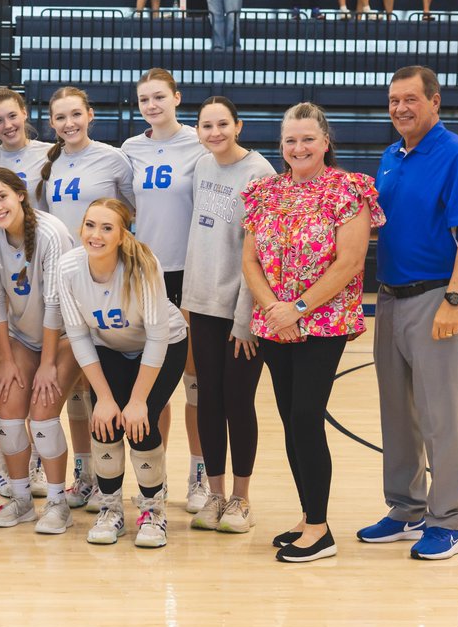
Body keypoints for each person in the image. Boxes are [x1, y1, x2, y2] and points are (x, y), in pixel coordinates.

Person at [243, 102, 383, 563]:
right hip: (275, 321)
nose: (298, 147)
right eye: (290, 140)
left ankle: (321, 530)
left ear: (325, 142)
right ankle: (308, 517)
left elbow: (350, 262)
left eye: (307, 138)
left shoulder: (347, 189)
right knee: (290, 418)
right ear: (280, 145)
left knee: (305, 414)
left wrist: (298, 308)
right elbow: (250, 260)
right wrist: (273, 309)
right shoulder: (264, 191)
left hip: (323, 322)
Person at [359, 66, 458, 561]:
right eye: (393, 100)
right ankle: (405, 509)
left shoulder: (456, 154)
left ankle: (448, 522)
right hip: (389, 298)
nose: (400, 108)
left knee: (441, 418)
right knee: (397, 414)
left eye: (411, 99)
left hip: (438, 297)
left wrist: (454, 300)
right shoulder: (390, 157)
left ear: (435, 101)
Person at [58, 198, 189, 547]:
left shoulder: (143, 265)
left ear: (122, 234)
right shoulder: (69, 268)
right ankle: (110, 509)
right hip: (109, 347)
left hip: (163, 345)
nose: (95, 235)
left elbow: (158, 337)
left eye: (106, 227)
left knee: (140, 423)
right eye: (90, 225)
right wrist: (102, 397)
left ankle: (152, 511)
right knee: (104, 422)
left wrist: (138, 400)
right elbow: (78, 335)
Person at [182, 96, 275, 534]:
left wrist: (245, 318)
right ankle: (215, 494)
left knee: (238, 402)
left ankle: (241, 498)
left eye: (222, 124)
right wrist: (188, 300)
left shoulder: (260, 174)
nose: (214, 132)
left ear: (239, 126)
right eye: (206, 126)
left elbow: (260, 256)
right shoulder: (202, 166)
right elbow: (199, 241)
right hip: (201, 305)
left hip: (241, 312)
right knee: (207, 399)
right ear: (197, 130)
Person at [37, 86, 133, 511]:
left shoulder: (114, 159)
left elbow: (130, 218)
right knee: (76, 383)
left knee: (106, 381)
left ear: (90, 114)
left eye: (76, 114)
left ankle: (113, 476)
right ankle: (85, 471)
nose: (69, 123)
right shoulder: (49, 163)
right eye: (61, 117)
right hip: (66, 281)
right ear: (52, 123)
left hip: (108, 281)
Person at [119, 69, 208, 513]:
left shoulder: (199, 143)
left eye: (159, 97)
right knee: (157, 382)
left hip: (188, 275)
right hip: (145, 276)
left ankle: (200, 473)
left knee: (194, 381)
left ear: (176, 97)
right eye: (144, 99)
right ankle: (158, 474)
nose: (152, 105)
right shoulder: (130, 149)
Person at [0, 169, 80, 533]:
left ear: (21, 195)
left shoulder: (51, 233)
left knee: (42, 413)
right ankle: (20, 499)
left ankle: (57, 503)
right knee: (6, 407)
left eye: (2, 197)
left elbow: (54, 303)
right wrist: (4, 360)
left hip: (68, 335)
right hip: (23, 336)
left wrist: (48, 364)